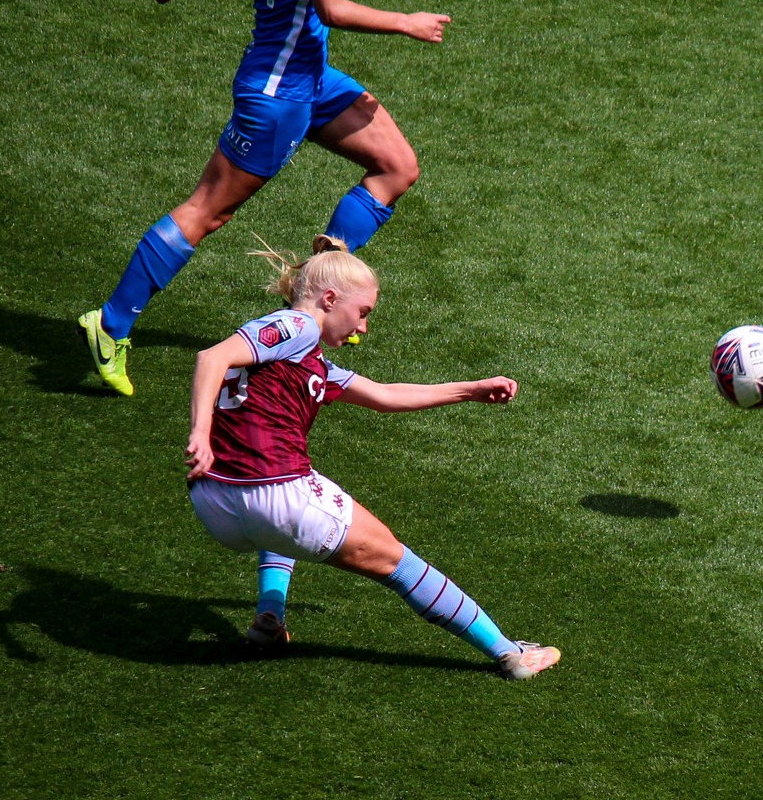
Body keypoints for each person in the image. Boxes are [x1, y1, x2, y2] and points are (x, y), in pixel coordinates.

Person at [79, 0, 451, 396]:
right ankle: (110, 324)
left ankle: (323, 269)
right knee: (208, 210)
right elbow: (331, 9)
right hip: (278, 90)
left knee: (397, 165)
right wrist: (406, 22)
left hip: (309, 76)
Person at [184, 248, 561, 680]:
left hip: (214, 502)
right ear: (329, 299)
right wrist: (200, 431)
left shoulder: (309, 362)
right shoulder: (299, 325)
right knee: (398, 563)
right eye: (362, 312)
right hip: (277, 492)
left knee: (285, 524)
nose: (363, 327)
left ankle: (269, 620)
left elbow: (383, 396)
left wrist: (470, 389)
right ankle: (511, 654)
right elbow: (211, 357)